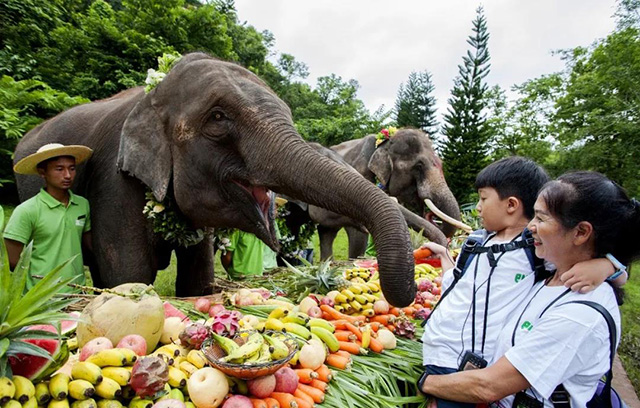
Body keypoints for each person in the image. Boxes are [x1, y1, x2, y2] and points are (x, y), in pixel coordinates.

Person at [419, 171, 638, 407]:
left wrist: (425, 383)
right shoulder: (550, 275)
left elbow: (488, 387)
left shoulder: (578, 314)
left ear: (581, 232)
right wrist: (610, 264)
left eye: (541, 219)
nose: (530, 227)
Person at [3, 143, 93, 292]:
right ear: (42, 172)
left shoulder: (82, 205)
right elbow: (12, 260)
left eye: (72, 168)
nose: (67, 175)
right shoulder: (27, 211)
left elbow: (88, 245)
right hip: (40, 297)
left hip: (77, 294)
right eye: (59, 169)